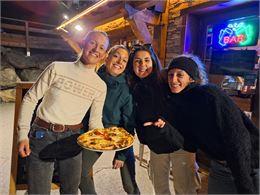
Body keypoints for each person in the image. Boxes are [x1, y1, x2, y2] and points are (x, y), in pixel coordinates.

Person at [147, 54, 259, 194]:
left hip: (250, 162)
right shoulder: (178, 104)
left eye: (180, 75)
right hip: (219, 165)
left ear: (191, 78)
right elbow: (188, 143)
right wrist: (165, 129)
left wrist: (245, 186)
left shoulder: (210, 95)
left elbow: (238, 139)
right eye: (170, 75)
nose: (173, 80)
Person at [17, 30, 109, 194]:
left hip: (73, 139)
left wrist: (105, 138)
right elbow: (30, 98)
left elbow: (95, 121)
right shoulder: (57, 67)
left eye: (102, 47)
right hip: (42, 135)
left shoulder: (100, 86)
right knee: (38, 192)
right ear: (83, 42)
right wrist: (22, 134)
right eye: (93, 43)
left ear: (104, 55)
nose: (96, 49)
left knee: (70, 191)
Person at [126, 44, 201, 194]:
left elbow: (190, 94)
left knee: (185, 189)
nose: (142, 65)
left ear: (153, 61)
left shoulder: (166, 78)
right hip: (156, 144)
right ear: (132, 65)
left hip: (181, 143)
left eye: (147, 60)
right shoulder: (133, 86)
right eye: (137, 61)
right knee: (160, 188)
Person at [79, 45, 140, 194]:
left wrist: (121, 154)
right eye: (116, 56)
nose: (120, 61)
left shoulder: (127, 89)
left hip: (119, 133)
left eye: (124, 60)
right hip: (95, 132)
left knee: (129, 181)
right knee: (80, 173)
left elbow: (129, 124)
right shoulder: (93, 78)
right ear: (107, 57)